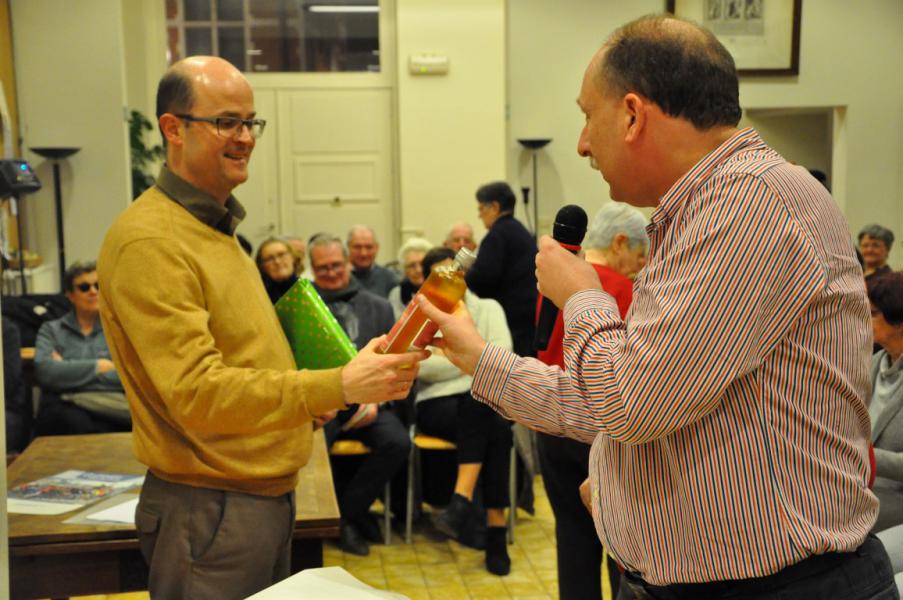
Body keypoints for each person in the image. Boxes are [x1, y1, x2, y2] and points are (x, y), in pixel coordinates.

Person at [418, 15, 895, 598]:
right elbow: (614, 400)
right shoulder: (701, 212)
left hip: (778, 587)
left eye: (587, 115)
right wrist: (477, 356)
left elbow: (628, 404)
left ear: (633, 114)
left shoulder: (752, 204)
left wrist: (583, 294)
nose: (583, 142)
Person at [97, 56, 425, 600]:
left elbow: (242, 358)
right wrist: (337, 385)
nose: (245, 138)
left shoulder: (213, 228)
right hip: (211, 508)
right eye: (226, 122)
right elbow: (197, 393)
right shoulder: (152, 241)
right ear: (172, 128)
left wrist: (324, 385)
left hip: (249, 498)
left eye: (250, 122)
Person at [536, 202, 648, 600]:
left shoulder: (551, 279)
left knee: (572, 541)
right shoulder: (624, 289)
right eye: (640, 254)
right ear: (620, 243)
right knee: (620, 548)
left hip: (548, 424)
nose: (640, 265)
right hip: (599, 431)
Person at [308, 233, 411, 557]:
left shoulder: (379, 307)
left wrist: (376, 398)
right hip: (325, 402)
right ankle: (331, 521)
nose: (331, 272)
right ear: (312, 269)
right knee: (311, 450)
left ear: (348, 263)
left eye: (336, 265)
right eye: (322, 268)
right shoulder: (303, 308)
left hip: (372, 401)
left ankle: (347, 515)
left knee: (398, 442)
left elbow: (396, 358)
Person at [415, 247, 514, 575]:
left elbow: (505, 358)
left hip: (479, 402)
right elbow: (420, 368)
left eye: (456, 271)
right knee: (490, 416)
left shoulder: (488, 308)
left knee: (492, 421)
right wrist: (474, 360)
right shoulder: (421, 313)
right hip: (436, 404)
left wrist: (456, 359)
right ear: (428, 280)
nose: (452, 277)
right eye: (442, 273)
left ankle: (462, 502)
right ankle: (495, 530)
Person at [34, 261, 131, 434]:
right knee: (67, 420)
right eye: (84, 287)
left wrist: (67, 372)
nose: (93, 291)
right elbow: (45, 371)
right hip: (66, 417)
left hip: (110, 410)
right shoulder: (52, 330)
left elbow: (128, 377)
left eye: (98, 286)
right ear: (70, 295)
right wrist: (99, 366)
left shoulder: (119, 330)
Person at [465, 181, 537, 358]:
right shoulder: (519, 230)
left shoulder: (497, 235)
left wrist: (465, 273)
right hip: (529, 313)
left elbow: (483, 280)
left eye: (481, 209)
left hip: (511, 317)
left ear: (495, 207)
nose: (479, 215)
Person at [867, 273, 903, 533]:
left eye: (874, 313)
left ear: (899, 321)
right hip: (864, 488)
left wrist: (864, 454)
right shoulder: (871, 364)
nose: (865, 320)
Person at [347, 225, 399, 298]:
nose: (363, 253)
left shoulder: (390, 279)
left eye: (369, 247)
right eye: (357, 247)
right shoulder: (337, 279)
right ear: (348, 247)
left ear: (377, 248)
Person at [387, 236, 433, 318]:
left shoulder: (442, 290)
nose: (419, 270)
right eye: (412, 266)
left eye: (422, 264)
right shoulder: (397, 294)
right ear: (405, 271)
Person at [255, 236, 300, 303]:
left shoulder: (310, 288)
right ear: (262, 266)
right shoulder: (260, 298)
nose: (277, 262)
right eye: (269, 259)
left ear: (292, 256)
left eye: (281, 254)